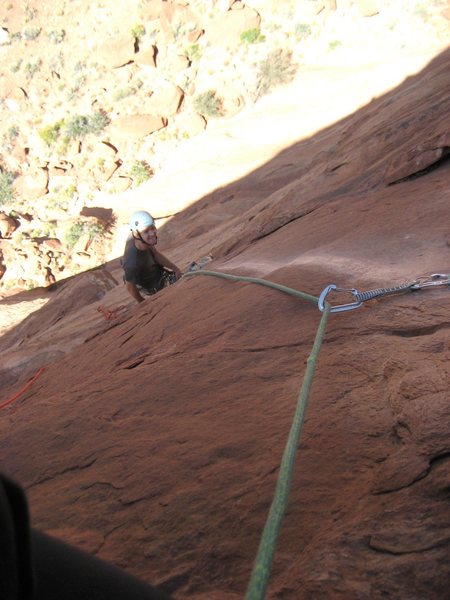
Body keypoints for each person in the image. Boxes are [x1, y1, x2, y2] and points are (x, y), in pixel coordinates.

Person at [122, 211, 181, 304]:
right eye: (146, 231)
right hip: (151, 285)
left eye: (152, 228)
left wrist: (176, 269)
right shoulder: (131, 262)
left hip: (156, 272)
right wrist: (143, 303)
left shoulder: (141, 239)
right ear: (137, 234)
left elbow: (155, 254)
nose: (152, 233)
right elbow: (130, 287)